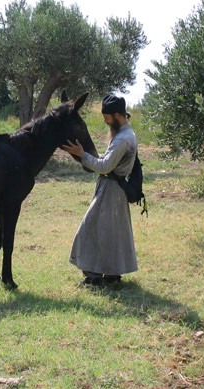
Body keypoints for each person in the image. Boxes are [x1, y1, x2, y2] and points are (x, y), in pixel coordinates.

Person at [61, 94, 138, 287]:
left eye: (108, 118)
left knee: (89, 230)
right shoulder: (125, 135)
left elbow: (105, 167)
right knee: (111, 233)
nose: (105, 122)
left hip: (111, 191)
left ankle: (94, 277)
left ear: (119, 116)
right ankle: (112, 275)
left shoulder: (123, 139)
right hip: (113, 189)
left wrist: (82, 155)